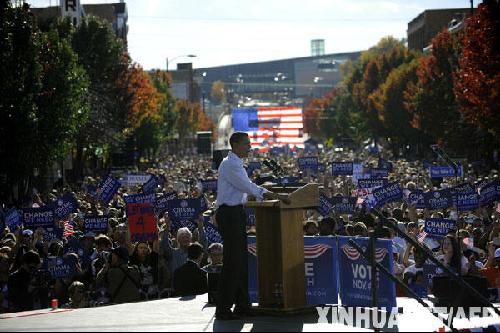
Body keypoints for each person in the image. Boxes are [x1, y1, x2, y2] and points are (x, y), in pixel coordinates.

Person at [215, 132, 290, 320]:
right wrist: (276, 196)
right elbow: (248, 187)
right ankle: (223, 309)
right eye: (246, 144)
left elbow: (245, 189)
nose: (250, 147)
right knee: (233, 262)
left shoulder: (236, 163)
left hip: (235, 214)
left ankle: (243, 305)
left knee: (240, 262)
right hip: (230, 215)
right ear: (236, 145)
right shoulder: (230, 164)